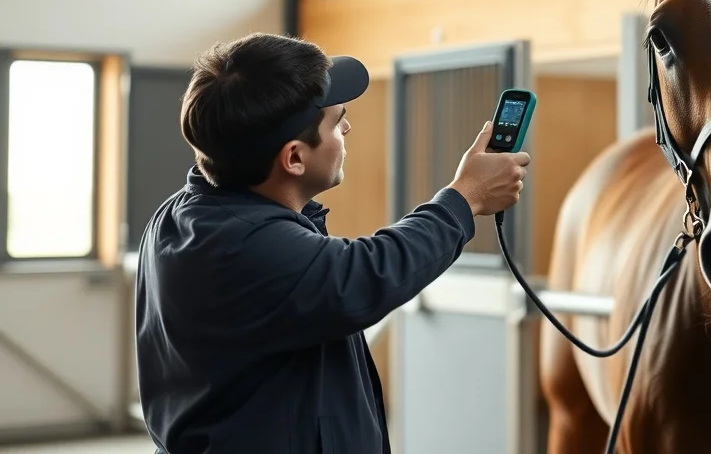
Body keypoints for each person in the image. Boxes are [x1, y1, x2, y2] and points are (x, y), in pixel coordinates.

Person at [133, 32, 530, 453]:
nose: (347, 126)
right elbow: (364, 274)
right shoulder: (240, 243)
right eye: (335, 120)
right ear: (294, 158)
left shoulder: (188, 213)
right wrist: (465, 199)